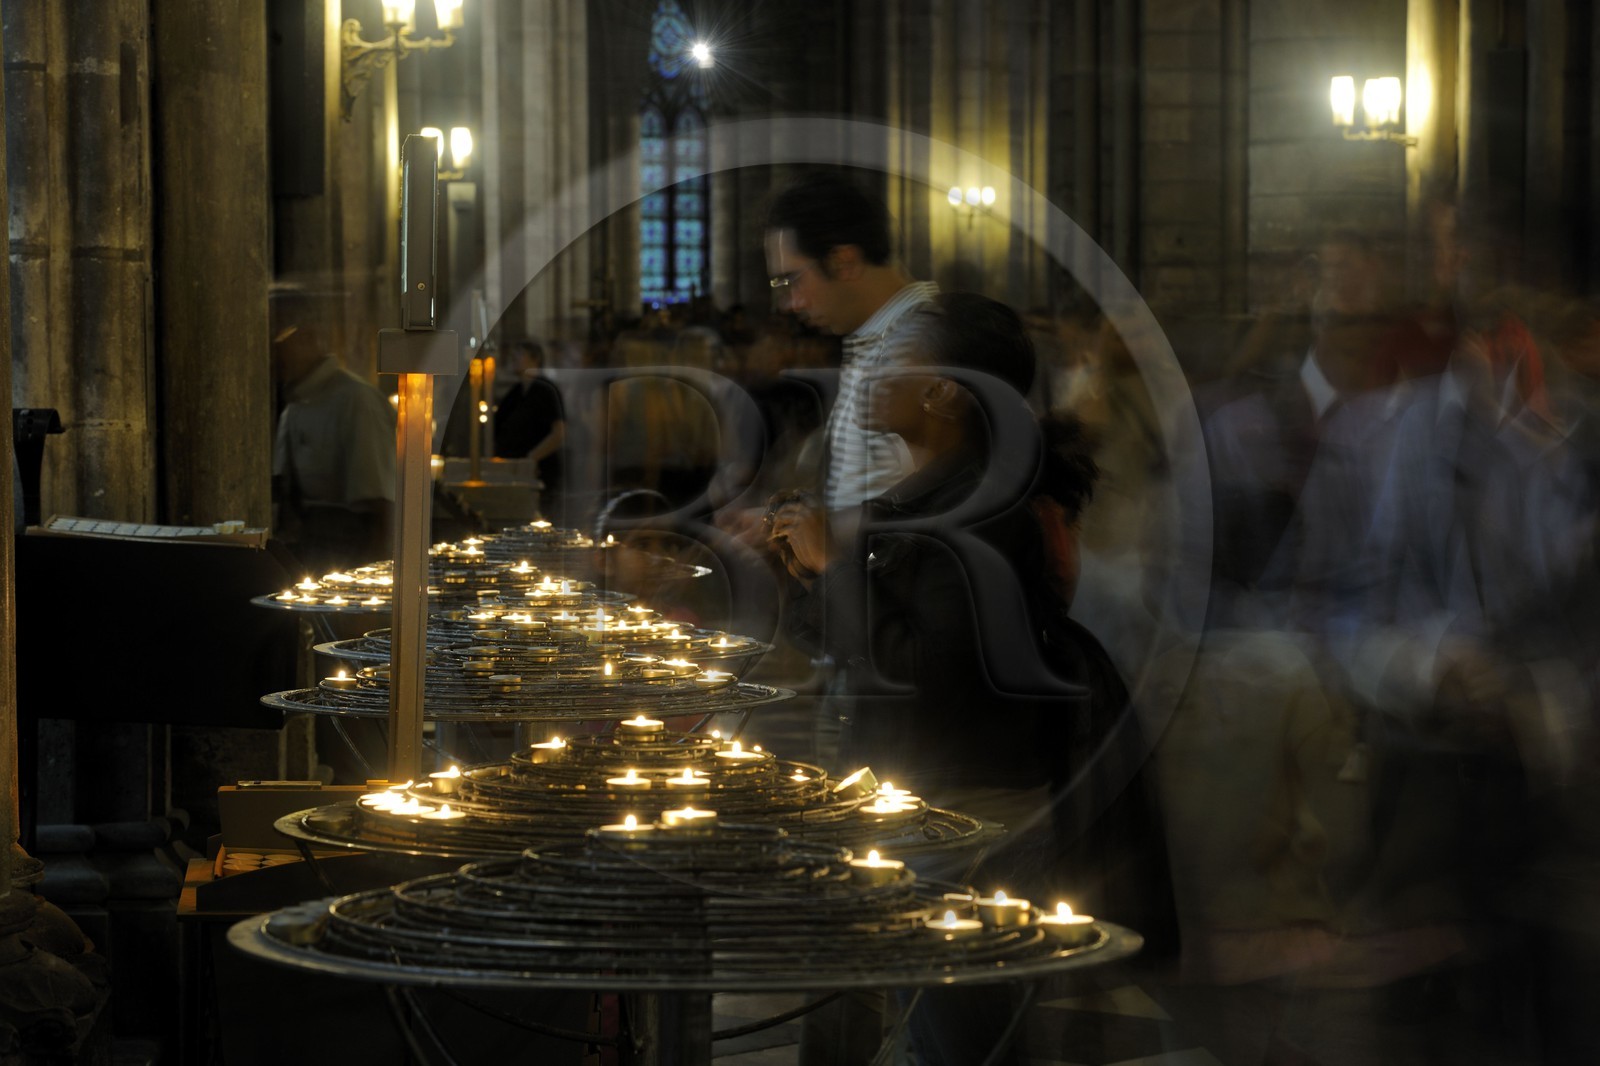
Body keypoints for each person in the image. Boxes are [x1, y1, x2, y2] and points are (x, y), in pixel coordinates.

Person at [769, 293, 1150, 1065]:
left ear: (945, 391)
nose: (869, 373)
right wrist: (805, 572)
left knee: (957, 1036)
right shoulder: (927, 496)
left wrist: (834, 568)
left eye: (892, 360)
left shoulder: (981, 511)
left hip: (964, 815)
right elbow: (862, 638)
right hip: (919, 798)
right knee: (924, 1021)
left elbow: (924, 673)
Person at [270, 291, 396, 576]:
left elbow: (379, 504)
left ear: (306, 338)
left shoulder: (355, 401)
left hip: (351, 549)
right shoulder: (296, 405)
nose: (272, 351)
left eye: (280, 340)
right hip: (311, 545)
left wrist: (370, 572)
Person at [492, 339, 566, 518]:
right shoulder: (515, 393)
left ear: (535, 359)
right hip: (515, 476)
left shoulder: (546, 391)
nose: (513, 358)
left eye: (519, 354)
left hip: (539, 474)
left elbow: (559, 433)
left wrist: (530, 459)